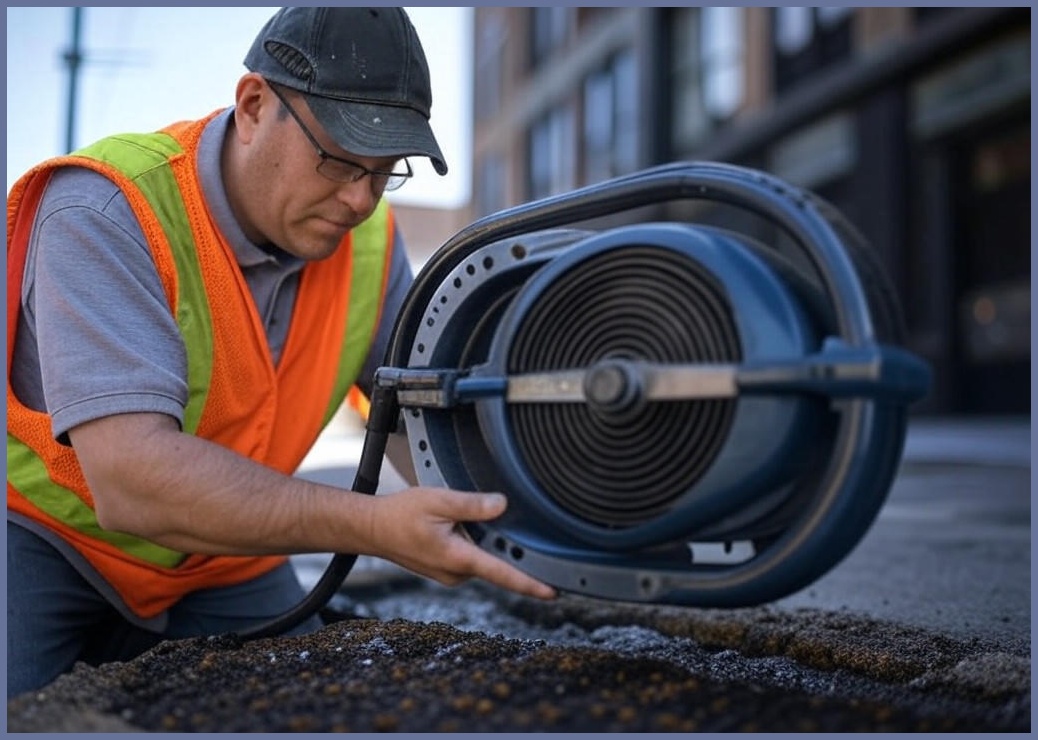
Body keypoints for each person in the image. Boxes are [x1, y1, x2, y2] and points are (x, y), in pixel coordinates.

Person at [6, 6, 555, 698]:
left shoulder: (371, 247)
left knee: (326, 701)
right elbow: (130, 479)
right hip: (47, 542)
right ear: (254, 104)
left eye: (386, 171)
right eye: (338, 159)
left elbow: (428, 426)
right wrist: (374, 527)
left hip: (223, 556)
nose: (359, 199)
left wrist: (540, 517)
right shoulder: (105, 212)